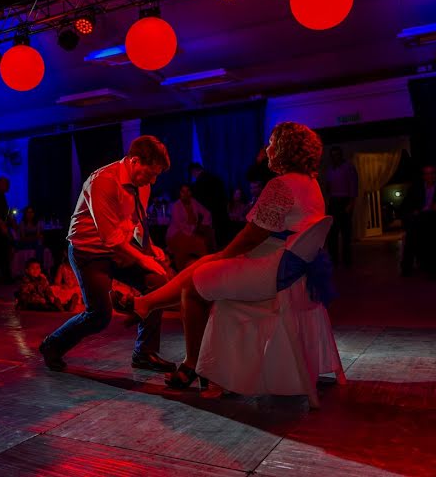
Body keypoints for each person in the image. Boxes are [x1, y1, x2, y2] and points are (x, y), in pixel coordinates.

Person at [124, 122, 326, 390]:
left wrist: (223, 256)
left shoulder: (282, 185)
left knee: (195, 285)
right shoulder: (312, 185)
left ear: (284, 149)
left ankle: (192, 363)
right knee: (204, 266)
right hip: (293, 273)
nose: (266, 150)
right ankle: (146, 305)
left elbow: (251, 236)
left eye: (271, 144)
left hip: (273, 274)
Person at [38, 135, 176, 373]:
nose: (152, 180)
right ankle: (53, 345)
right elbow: (110, 239)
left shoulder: (142, 184)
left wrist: (151, 249)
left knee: (157, 285)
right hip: (89, 253)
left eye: (156, 175)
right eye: (150, 173)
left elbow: (136, 223)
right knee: (99, 315)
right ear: (134, 161)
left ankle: (144, 353)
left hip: (118, 249)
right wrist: (145, 260)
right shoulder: (102, 181)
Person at [401, 165, 436, 275]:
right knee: (412, 233)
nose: (430, 176)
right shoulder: (416, 188)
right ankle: (407, 267)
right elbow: (406, 204)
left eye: (432, 173)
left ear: (435, 175)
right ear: (423, 176)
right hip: (420, 217)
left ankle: (432, 266)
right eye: (427, 174)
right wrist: (414, 210)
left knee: (432, 233)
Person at [324, 146, 358, 268]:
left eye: (337, 155)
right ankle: (334, 260)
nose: (335, 157)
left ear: (341, 155)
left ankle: (347, 260)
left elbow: (353, 186)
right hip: (334, 201)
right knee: (333, 233)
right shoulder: (330, 170)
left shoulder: (349, 167)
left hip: (345, 201)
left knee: (346, 232)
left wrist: (351, 204)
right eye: (333, 155)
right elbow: (328, 188)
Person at [166, 183, 213, 271]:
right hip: (176, 233)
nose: (186, 194)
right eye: (183, 192)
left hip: (192, 232)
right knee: (185, 244)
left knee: (205, 240)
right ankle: (181, 271)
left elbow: (207, 213)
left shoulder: (193, 202)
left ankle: (205, 268)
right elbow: (179, 224)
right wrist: (193, 230)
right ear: (180, 193)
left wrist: (203, 224)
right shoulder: (176, 205)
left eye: (188, 191)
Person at [189, 162, 229, 249]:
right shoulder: (217, 178)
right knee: (223, 239)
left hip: (210, 215)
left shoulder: (199, 183)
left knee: (213, 241)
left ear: (194, 171)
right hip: (222, 212)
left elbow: (198, 203)